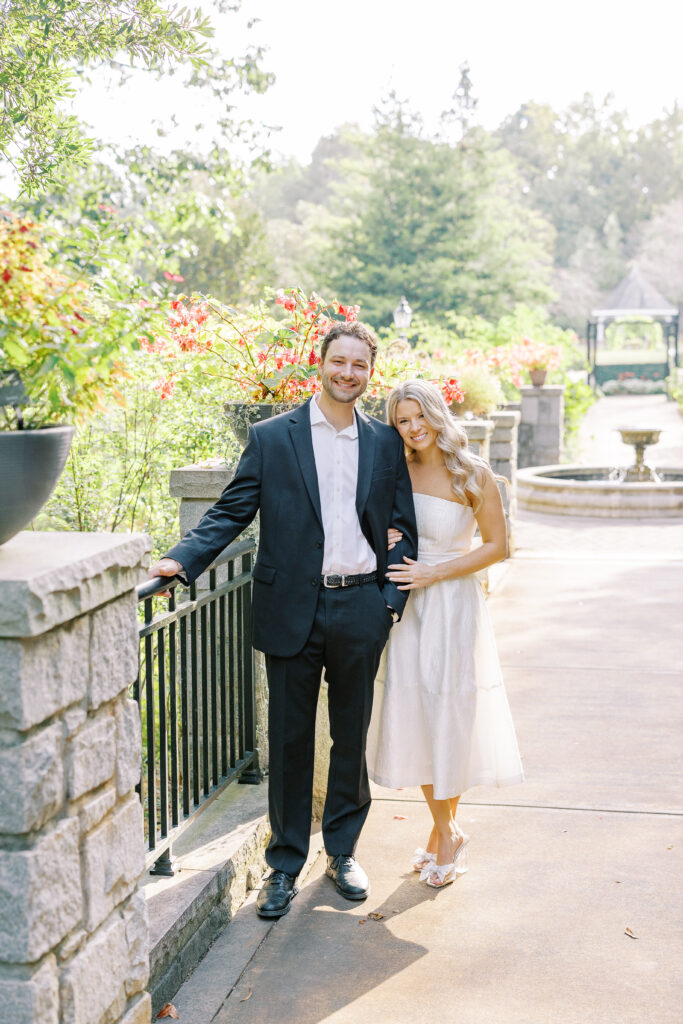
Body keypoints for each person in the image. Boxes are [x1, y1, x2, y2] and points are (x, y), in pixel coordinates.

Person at [147, 321, 418, 917]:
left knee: (350, 738)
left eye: (359, 365)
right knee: (291, 742)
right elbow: (231, 510)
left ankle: (342, 852)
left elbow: (403, 526)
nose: (348, 373)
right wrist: (180, 560)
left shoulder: (383, 442)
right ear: (319, 364)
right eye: (339, 362)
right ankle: (285, 864)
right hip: (292, 608)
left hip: (360, 606)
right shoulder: (273, 437)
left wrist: (388, 604)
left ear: (370, 374)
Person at [365, 379, 524, 889]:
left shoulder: (473, 474)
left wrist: (438, 571)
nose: (413, 429)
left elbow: (499, 547)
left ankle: (445, 834)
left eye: (419, 417)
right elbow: (369, 524)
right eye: (402, 422)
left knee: (451, 712)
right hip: (409, 608)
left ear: (437, 414)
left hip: (454, 603)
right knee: (420, 713)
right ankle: (444, 831)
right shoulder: (395, 471)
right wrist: (384, 534)